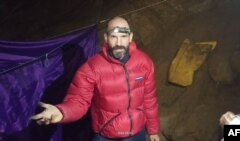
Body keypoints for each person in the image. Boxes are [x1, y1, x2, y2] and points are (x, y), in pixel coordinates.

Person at [31, 16, 160, 141]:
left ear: (130, 37)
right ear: (106, 38)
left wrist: (153, 130)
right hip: (106, 134)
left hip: (137, 133)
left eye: (123, 36)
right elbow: (78, 101)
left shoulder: (144, 63)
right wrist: (62, 112)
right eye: (113, 37)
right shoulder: (91, 68)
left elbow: (149, 99)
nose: (119, 43)